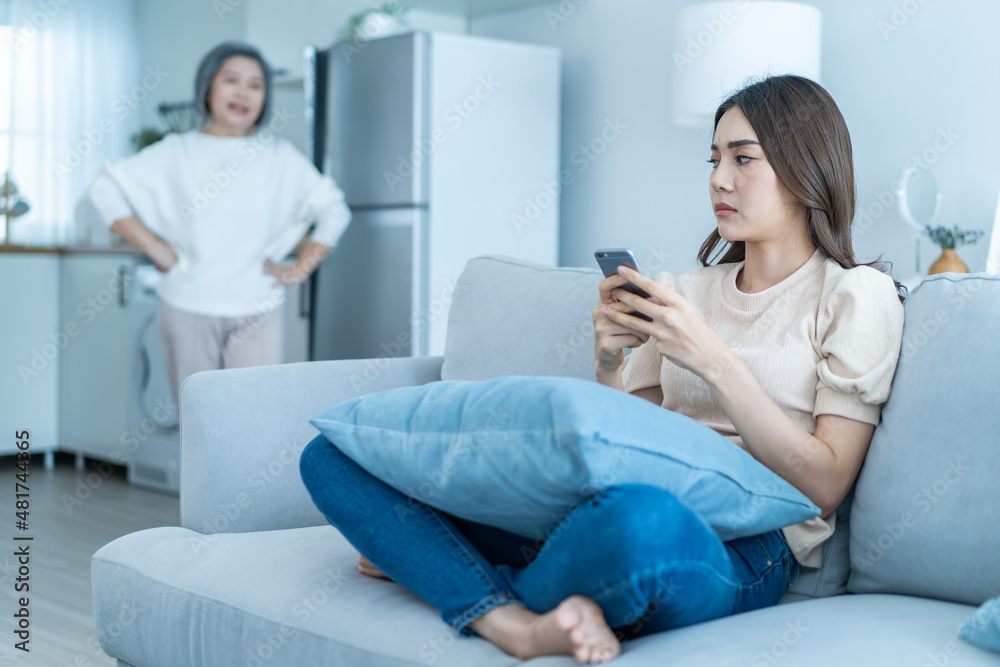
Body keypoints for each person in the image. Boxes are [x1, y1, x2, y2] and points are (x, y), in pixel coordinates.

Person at [298, 75, 905, 663]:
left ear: (806, 170)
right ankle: (513, 625)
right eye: (713, 158)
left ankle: (434, 563)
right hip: (604, 508)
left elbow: (823, 485)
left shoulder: (856, 295)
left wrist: (715, 362)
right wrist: (609, 364)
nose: (718, 179)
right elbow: (628, 445)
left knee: (640, 523)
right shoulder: (679, 292)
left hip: (745, 545)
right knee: (334, 459)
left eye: (743, 159)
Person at [87, 42, 350, 407]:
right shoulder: (174, 151)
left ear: (264, 99)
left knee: (254, 421)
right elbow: (104, 187)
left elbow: (335, 209)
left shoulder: (280, 157)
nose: (243, 92)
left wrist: (300, 269)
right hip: (187, 304)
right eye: (232, 80)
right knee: (199, 425)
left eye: (256, 85)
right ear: (208, 87)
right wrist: (153, 246)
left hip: (258, 306)